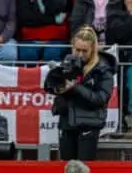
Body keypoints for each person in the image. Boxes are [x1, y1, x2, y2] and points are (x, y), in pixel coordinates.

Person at [44, 26, 115, 161]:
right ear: (72, 47)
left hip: (89, 125)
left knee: (83, 169)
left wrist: (76, 88)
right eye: (77, 50)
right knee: (67, 169)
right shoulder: (68, 63)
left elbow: (101, 99)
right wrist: (57, 83)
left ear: (93, 49)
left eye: (84, 51)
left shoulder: (103, 69)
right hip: (67, 122)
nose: (80, 54)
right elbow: (49, 87)